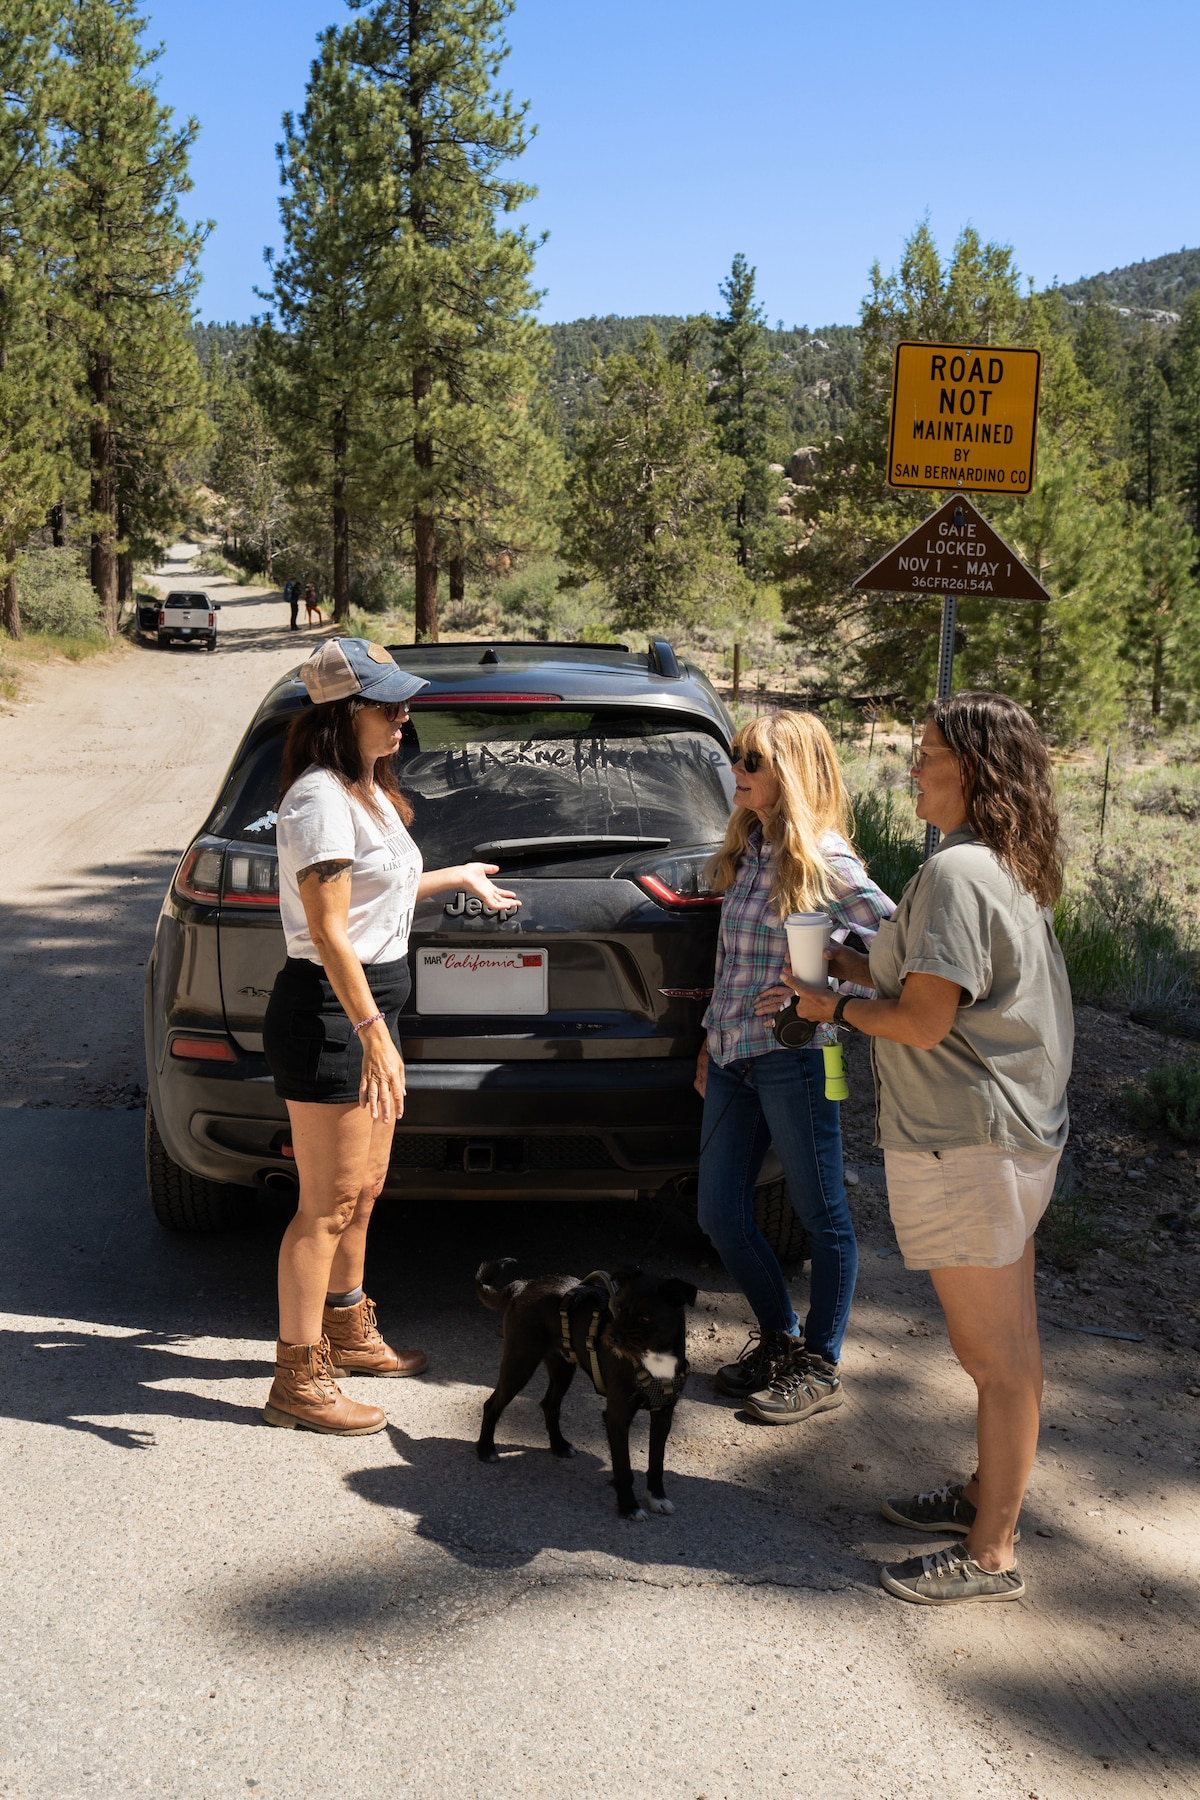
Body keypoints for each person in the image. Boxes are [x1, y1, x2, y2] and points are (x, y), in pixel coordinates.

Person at [782, 691, 1073, 1605]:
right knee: (1010, 1344)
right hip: (1005, 1135)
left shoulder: (956, 873)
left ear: (973, 770)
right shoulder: (998, 863)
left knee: (995, 1358)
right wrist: (851, 964)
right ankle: (985, 1499)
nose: (913, 766)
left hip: (967, 1143)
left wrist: (832, 1005)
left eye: (928, 752)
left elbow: (921, 1021)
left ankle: (991, 1555)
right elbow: (935, 985)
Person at [261, 637, 519, 1436]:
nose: (405, 715)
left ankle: (345, 1329)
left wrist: (455, 876)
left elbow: (381, 891)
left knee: (365, 1189)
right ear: (343, 714)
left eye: (404, 702)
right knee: (326, 1204)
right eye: (388, 704)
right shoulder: (319, 800)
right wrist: (372, 1032)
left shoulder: (364, 786)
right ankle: (297, 1381)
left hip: (372, 1007)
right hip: (335, 1013)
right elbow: (329, 932)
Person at [695, 710, 894, 1425]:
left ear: (793, 773)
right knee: (719, 1214)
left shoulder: (827, 860)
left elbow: (904, 953)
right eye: (737, 756)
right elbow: (731, 962)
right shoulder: (749, 848)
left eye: (753, 760)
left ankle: (820, 1363)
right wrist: (707, 1040)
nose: (737, 771)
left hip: (796, 1058)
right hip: (731, 1056)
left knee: (822, 1216)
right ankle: (781, 1339)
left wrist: (830, 993)